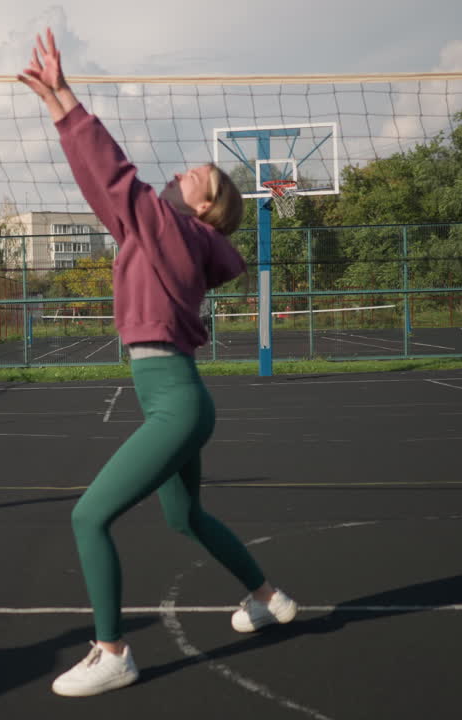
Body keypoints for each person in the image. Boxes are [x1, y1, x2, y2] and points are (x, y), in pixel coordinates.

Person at [18, 29, 298, 698]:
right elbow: (104, 190)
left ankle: (113, 651)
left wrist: (70, 100)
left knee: (89, 517)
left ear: (208, 206)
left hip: (174, 400)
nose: (190, 167)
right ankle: (268, 596)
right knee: (184, 517)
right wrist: (58, 106)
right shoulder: (159, 233)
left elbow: (115, 178)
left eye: (203, 172)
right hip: (177, 395)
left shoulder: (176, 233)